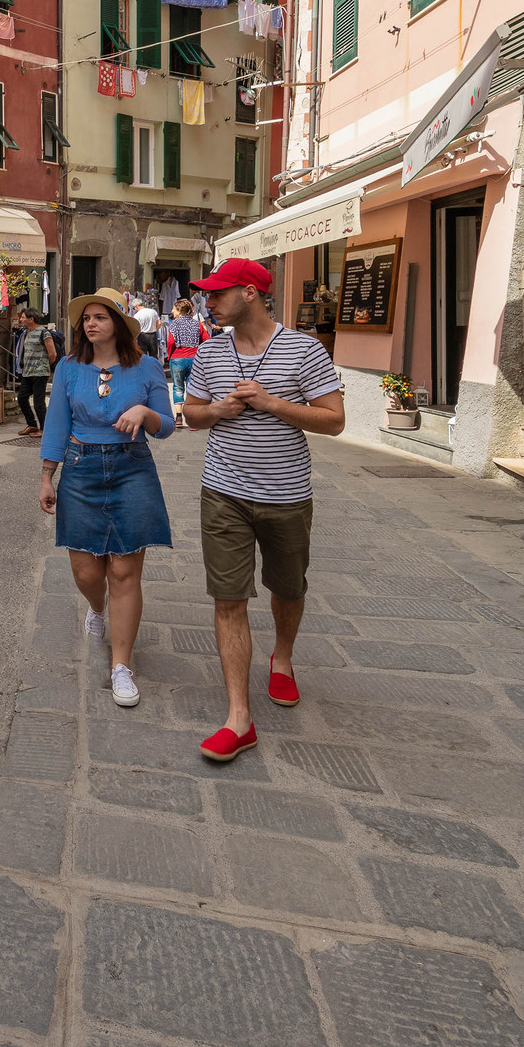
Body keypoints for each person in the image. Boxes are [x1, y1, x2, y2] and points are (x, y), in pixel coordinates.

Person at [182, 257, 346, 763]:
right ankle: (239, 718)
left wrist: (273, 403)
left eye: (217, 293)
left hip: (287, 495)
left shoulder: (304, 348)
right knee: (228, 598)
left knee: (287, 588)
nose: (208, 302)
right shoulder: (210, 354)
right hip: (223, 493)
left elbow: (334, 420)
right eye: (207, 295)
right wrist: (217, 411)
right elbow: (190, 415)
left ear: (250, 292)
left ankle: (284, 657)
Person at [39, 290, 174, 710]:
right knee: (86, 570)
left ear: (118, 322)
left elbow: (166, 425)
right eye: (86, 319)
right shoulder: (68, 368)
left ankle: (120, 666)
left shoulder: (147, 368)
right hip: (80, 468)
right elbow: (56, 424)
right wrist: (47, 475)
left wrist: (144, 414)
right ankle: (96, 608)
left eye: (100, 317)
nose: (90, 324)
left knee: (124, 570)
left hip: (132, 466)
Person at [11, 305, 61, 436]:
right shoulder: (26, 333)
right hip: (28, 373)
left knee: (39, 403)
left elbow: (52, 354)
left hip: (40, 373)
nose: (21, 320)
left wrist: (44, 365)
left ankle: (44, 429)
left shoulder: (44, 332)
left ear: (31, 319)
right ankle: (32, 424)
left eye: (23, 317)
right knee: (21, 398)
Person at [163, 296, 204, 405]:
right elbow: (206, 340)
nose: (172, 311)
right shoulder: (197, 324)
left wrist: (170, 355)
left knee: (177, 387)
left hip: (177, 358)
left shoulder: (174, 324)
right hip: (194, 358)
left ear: (180, 311)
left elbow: (171, 342)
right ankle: (191, 411)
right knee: (192, 386)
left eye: (174, 309)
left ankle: (179, 416)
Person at [136, 291, 161, 360]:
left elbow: (136, 326)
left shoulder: (137, 315)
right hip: (152, 335)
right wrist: (156, 329)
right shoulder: (153, 311)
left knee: (143, 355)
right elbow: (159, 322)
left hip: (142, 335)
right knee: (154, 355)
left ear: (136, 307)